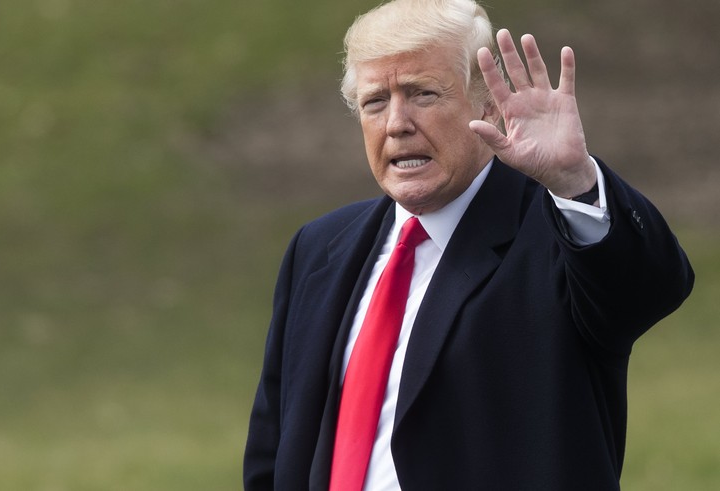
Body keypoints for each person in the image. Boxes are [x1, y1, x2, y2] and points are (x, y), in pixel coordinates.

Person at [243, 0, 694, 489]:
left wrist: (575, 179)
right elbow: (274, 448)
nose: (397, 123)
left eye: (423, 94)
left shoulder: (554, 233)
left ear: (488, 104)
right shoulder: (319, 248)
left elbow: (649, 288)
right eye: (376, 101)